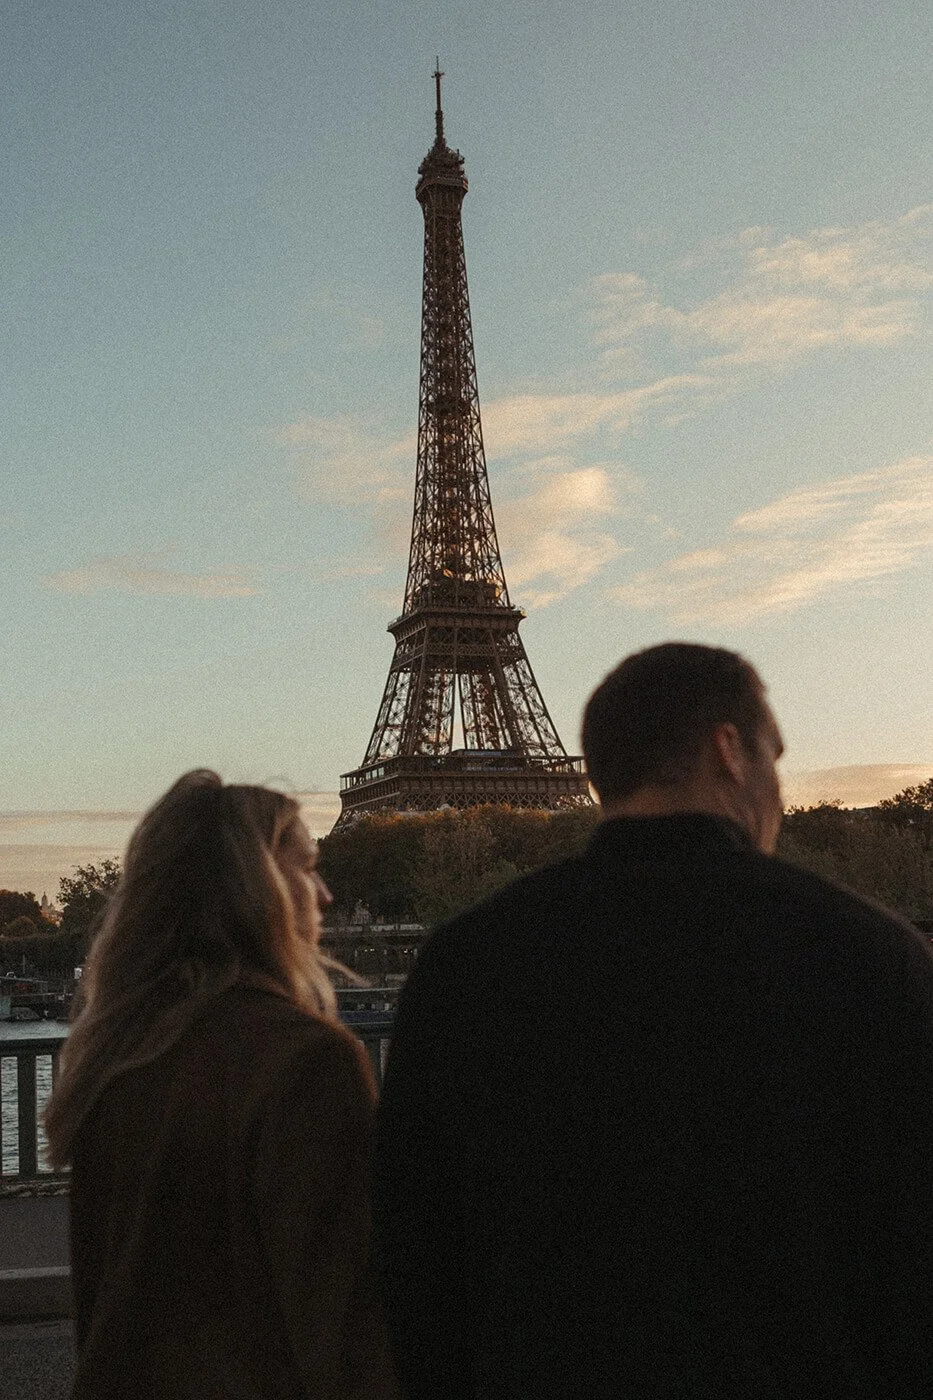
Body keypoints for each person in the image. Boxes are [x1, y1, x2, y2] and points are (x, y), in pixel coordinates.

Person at [374, 642, 933, 1399]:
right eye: (775, 755)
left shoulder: (462, 964)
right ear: (727, 751)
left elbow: (417, 1261)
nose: (777, 785)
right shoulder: (870, 955)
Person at [46, 770, 395, 1400]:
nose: (324, 894)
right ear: (257, 889)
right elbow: (340, 1331)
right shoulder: (306, 1060)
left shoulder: (111, 1062)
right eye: (306, 867)